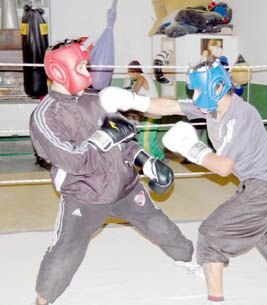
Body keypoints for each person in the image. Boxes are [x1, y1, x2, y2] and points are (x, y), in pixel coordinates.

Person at [98, 58, 267, 304]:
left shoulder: (241, 115)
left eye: (197, 89)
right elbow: (169, 107)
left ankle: (214, 301)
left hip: (266, 191)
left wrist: (191, 148)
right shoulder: (212, 108)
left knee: (210, 236)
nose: (194, 96)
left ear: (216, 87)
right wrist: (133, 101)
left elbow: (224, 167)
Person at [29, 39, 193, 305]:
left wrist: (147, 162)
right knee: (67, 249)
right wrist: (102, 137)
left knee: (160, 225)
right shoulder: (45, 116)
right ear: (61, 71)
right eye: (82, 66)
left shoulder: (97, 99)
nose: (88, 73)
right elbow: (75, 161)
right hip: (85, 196)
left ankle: (188, 258)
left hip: (126, 187)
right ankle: (43, 299)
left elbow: (125, 141)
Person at [124, 60, 165, 160]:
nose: (129, 75)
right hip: (153, 113)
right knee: (151, 140)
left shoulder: (141, 78)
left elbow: (133, 94)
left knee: (144, 141)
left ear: (134, 71)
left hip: (152, 114)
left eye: (130, 72)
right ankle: (160, 159)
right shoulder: (146, 77)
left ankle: (148, 163)